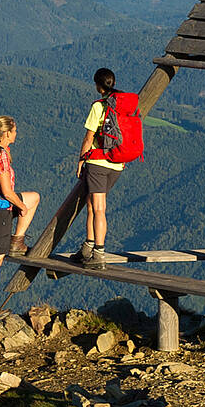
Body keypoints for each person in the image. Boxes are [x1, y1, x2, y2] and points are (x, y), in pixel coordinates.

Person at [0, 115, 39, 323]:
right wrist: (20, 207)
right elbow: (6, 191)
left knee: (34, 197)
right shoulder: (0, 155)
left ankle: (17, 240)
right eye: (15, 130)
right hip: (0, 212)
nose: (17, 133)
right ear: (7, 134)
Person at [75, 67, 127, 268]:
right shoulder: (122, 104)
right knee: (91, 203)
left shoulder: (99, 107)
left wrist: (81, 160)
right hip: (117, 164)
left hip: (98, 163)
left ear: (98, 86)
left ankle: (99, 255)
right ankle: (88, 247)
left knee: (99, 208)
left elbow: (89, 137)